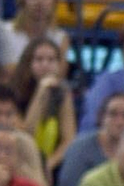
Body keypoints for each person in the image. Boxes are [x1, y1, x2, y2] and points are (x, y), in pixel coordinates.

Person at [12, 37, 76, 178]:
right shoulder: (13, 92)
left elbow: (69, 139)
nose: (45, 65)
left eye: (51, 60)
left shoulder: (62, 92)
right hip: (20, 159)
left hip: (50, 164)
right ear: (28, 63)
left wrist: (48, 164)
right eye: (39, 60)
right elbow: (26, 134)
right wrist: (41, 93)